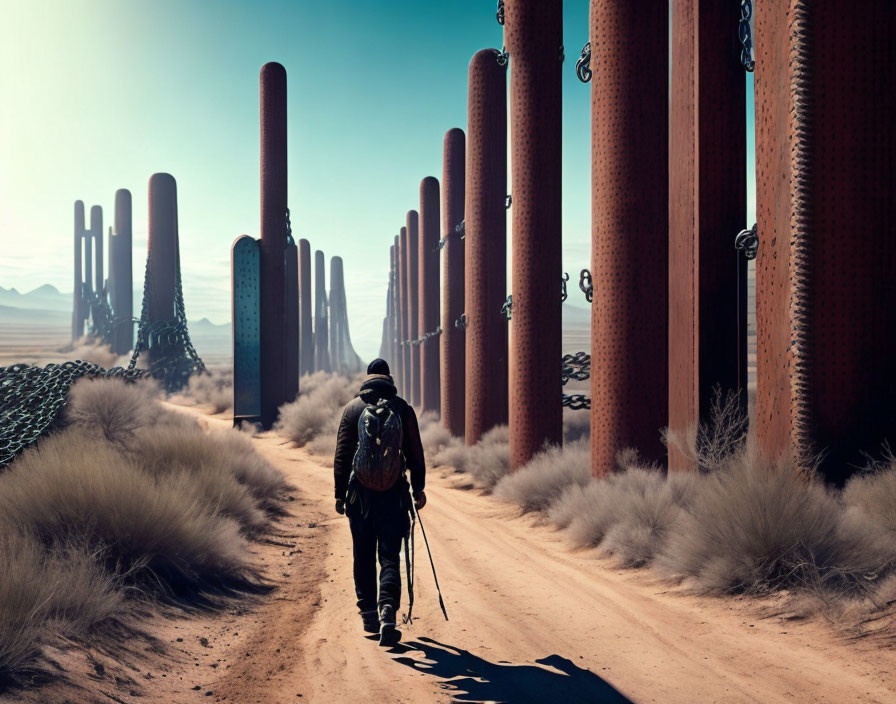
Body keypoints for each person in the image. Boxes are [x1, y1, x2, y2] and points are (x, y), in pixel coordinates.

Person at [333, 358, 426, 646]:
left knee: (362, 554)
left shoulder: (352, 410)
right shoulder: (402, 409)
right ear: (389, 378)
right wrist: (418, 488)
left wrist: (339, 494)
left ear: (367, 378)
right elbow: (415, 453)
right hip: (393, 496)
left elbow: (342, 455)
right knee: (389, 556)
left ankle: (369, 616)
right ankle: (388, 610)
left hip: (359, 498)